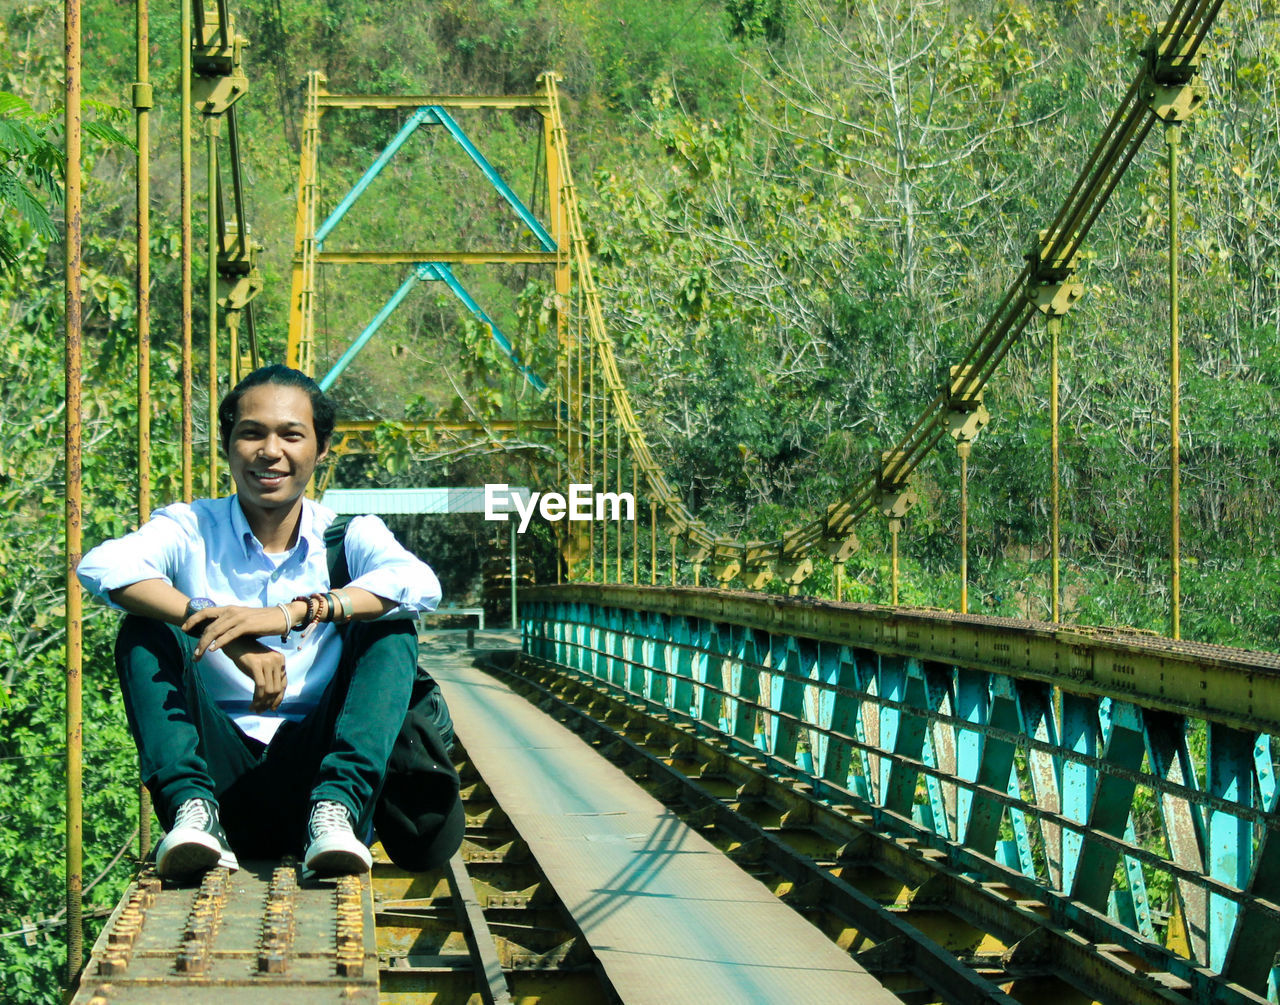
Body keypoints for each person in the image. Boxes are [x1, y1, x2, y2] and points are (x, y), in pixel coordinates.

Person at [77, 364, 442, 879]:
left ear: (321, 449)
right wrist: (218, 632)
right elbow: (99, 566)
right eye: (252, 433)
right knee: (145, 624)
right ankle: (190, 811)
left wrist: (291, 613)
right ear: (228, 445)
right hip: (216, 780)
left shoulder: (347, 534)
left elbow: (421, 583)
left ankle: (338, 810)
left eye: (292, 434)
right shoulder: (190, 527)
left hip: (318, 779)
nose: (271, 451)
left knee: (390, 622)